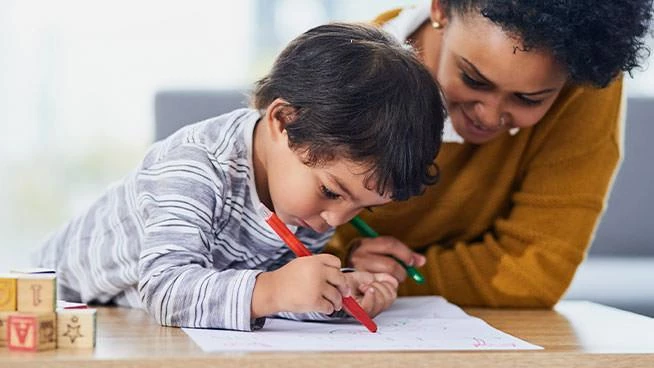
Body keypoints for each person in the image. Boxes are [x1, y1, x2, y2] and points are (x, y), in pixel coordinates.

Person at [32, 23, 446, 331]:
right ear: (283, 121)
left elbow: (255, 291)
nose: (335, 221)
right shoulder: (196, 164)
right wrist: (273, 290)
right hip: (50, 300)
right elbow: (166, 291)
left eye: (362, 207)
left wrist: (332, 296)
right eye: (331, 192)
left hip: (123, 315)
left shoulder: (307, 197)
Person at [327, 0, 653, 308]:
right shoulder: (338, 73)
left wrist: (389, 280)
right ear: (440, 8)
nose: (489, 116)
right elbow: (287, 250)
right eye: (473, 79)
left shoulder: (582, 78)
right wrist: (346, 270)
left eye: (529, 99)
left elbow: (535, 273)